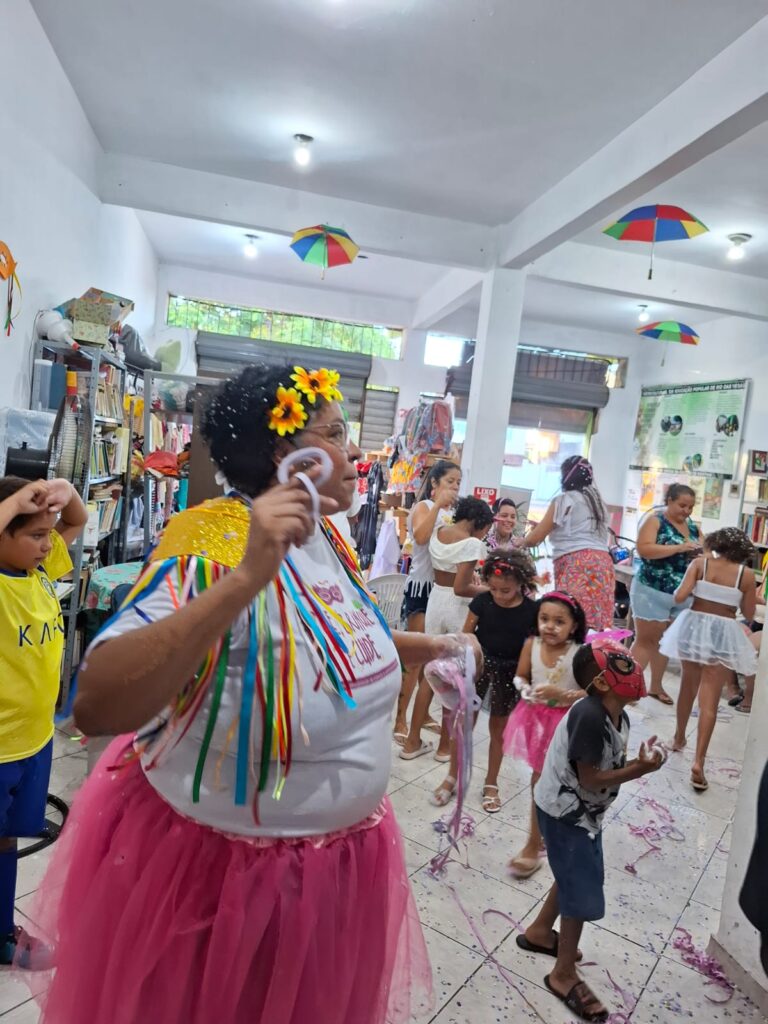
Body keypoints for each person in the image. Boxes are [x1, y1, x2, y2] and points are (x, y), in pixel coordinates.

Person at [20, 362, 478, 1024]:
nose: (356, 451)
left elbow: (338, 638)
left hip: (333, 874)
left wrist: (434, 647)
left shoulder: (329, 537)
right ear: (282, 454)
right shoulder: (212, 541)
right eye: (335, 433)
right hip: (221, 883)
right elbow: (97, 703)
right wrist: (245, 578)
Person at [518, 639, 663, 1023]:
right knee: (580, 887)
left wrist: (637, 761)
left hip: (579, 813)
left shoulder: (616, 715)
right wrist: (638, 770)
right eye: (624, 665)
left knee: (571, 873)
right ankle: (563, 974)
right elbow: (591, 779)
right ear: (601, 682)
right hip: (566, 814)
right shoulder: (590, 716)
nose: (635, 669)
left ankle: (539, 932)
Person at [0, 476, 87, 966]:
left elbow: (78, 519)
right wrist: (15, 500)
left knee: (8, 838)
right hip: (1, 749)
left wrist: (63, 491)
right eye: (36, 534)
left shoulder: (36, 571)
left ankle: (1, 932)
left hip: (34, 741)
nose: (49, 543)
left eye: (48, 534)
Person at [664, 528, 758, 792]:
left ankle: (679, 738)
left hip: (694, 627)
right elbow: (749, 613)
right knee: (710, 700)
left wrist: (699, 587)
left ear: (716, 544)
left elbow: (679, 596)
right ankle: (699, 761)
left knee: (687, 686)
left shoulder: (699, 564)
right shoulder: (746, 575)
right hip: (723, 631)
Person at [400, 496, 493, 764]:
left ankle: (412, 741)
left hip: (435, 601)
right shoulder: (472, 543)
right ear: (478, 522)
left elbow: (451, 578)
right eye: (485, 529)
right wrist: (491, 591)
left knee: (430, 674)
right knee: (455, 677)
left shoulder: (439, 532)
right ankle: (443, 748)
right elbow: (461, 588)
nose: (484, 535)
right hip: (457, 608)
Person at [503, 592, 588, 878]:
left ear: (574, 625)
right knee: (539, 780)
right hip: (537, 723)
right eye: (544, 619)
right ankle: (533, 841)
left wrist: (562, 695)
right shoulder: (532, 644)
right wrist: (525, 690)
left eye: (559, 621)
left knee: (566, 783)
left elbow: (592, 692)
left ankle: (552, 833)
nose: (550, 626)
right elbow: (521, 675)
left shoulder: (580, 653)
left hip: (568, 726)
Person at [460, 548, 538, 812]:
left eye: (505, 590)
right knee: (465, 723)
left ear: (521, 583)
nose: (498, 595)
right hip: (480, 667)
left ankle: (491, 781)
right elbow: (466, 635)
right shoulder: (483, 602)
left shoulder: (532, 610)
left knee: (499, 730)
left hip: (510, 673)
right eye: (493, 589)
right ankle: (455, 774)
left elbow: (534, 647)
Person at [393, 460, 461, 743]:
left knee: (433, 656)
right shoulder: (423, 507)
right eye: (450, 481)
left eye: (458, 483)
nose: (455, 487)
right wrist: (437, 506)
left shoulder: (453, 515)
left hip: (443, 591)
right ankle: (400, 718)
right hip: (421, 588)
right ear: (434, 483)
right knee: (415, 658)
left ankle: (422, 716)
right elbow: (420, 538)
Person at [516, 457, 613, 631]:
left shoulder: (564, 500)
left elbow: (534, 539)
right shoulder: (598, 504)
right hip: (603, 564)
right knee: (592, 621)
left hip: (577, 563)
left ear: (565, 476)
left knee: (570, 616)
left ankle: (573, 649)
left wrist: (521, 541)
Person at [629, 483, 701, 705]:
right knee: (646, 641)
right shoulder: (655, 521)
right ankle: (627, 687)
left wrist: (700, 554)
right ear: (669, 500)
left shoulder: (692, 527)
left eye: (690, 507)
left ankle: (656, 686)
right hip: (651, 589)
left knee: (665, 642)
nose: (686, 511)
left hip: (680, 594)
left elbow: (705, 552)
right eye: (682, 505)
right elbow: (644, 549)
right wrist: (678, 548)